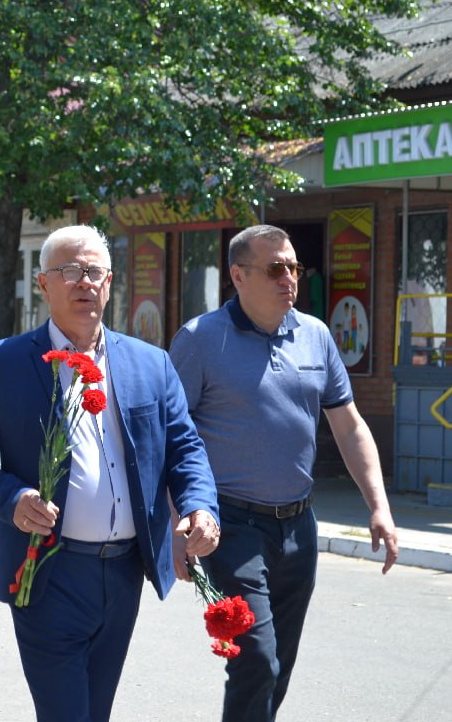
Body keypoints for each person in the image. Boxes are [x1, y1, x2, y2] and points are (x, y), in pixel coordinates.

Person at [0, 224, 221, 722]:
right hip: (47, 570)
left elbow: (184, 448)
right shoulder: (3, 363)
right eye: (69, 271)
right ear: (42, 284)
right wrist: (12, 498)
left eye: (94, 272)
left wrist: (201, 506)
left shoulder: (150, 364)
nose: (84, 282)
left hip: (123, 573)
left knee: (96, 711)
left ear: (110, 282)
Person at [168, 224, 399, 722]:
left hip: (298, 526)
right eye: (275, 269)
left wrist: (378, 505)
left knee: (280, 665)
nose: (289, 278)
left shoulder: (315, 335)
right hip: (227, 525)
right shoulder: (201, 339)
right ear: (238, 275)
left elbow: (349, 425)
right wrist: (174, 526)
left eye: (293, 267)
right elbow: (168, 440)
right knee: (256, 659)